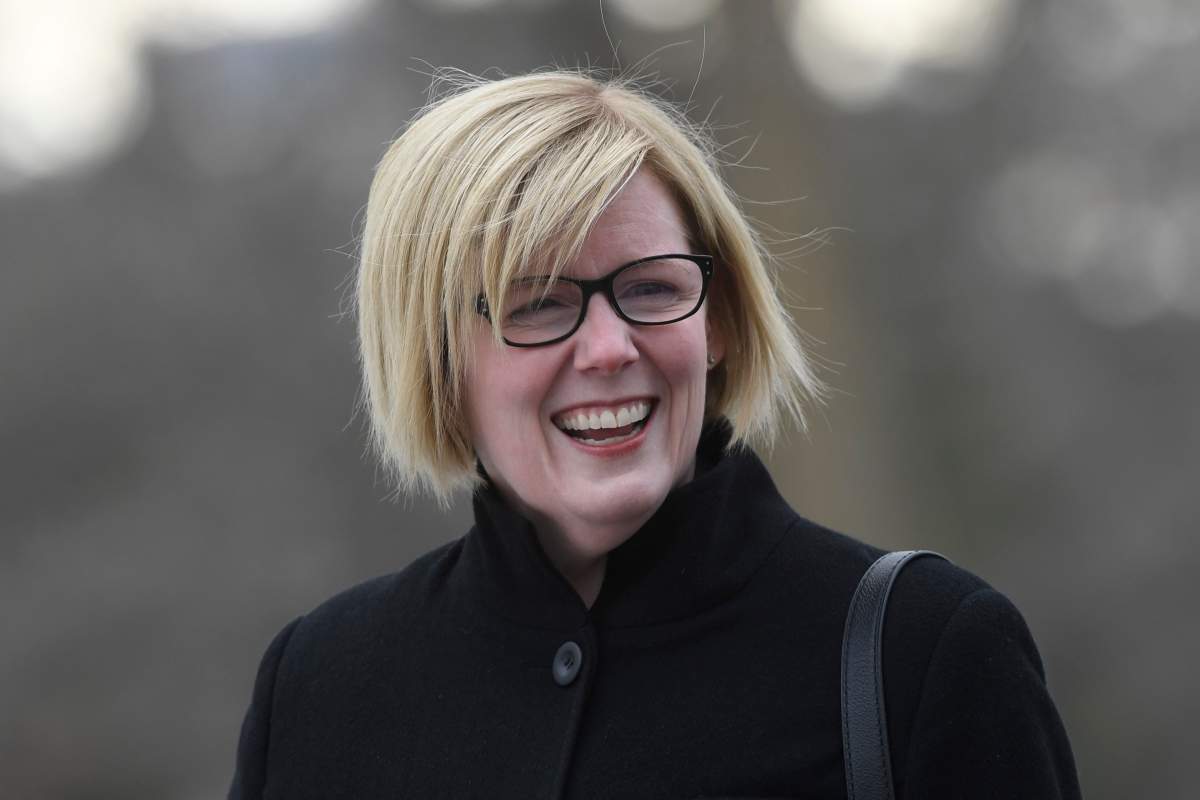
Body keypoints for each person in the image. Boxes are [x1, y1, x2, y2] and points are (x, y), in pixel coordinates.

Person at [229, 71, 1081, 799]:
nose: (608, 348)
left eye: (650, 287)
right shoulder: (321, 686)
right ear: (437, 356)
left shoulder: (925, 656)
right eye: (539, 303)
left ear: (717, 324)